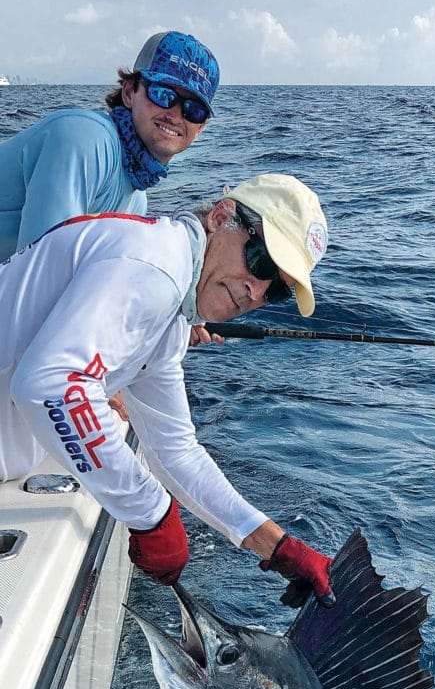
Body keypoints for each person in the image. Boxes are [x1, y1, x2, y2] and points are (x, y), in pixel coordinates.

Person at [0, 173, 335, 605]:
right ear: (220, 217)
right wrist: (150, 512)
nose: (257, 290)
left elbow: (175, 449)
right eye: (262, 262)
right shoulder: (155, 266)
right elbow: (51, 385)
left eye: (278, 293)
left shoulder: (173, 312)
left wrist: (276, 544)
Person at [0, 30, 219, 263]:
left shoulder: (136, 198)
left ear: (200, 127)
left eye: (193, 110)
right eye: (163, 94)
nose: (175, 114)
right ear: (128, 92)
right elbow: (39, 270)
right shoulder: (84, 139)